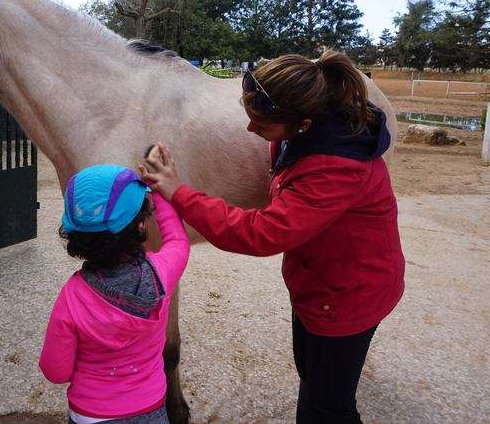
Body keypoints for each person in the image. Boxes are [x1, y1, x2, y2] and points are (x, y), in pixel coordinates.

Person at [139, 51, 405, 423]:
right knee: (312, 381)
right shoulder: (307, 135)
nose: (251, 131)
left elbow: (259, 233)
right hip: (319, 286)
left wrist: (179, 192)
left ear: (303, 123)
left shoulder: (334, 170)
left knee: (329, 407)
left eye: (261, 126)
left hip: (349, 297)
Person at [40, 164, 190, 423]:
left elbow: (55, 371)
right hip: (151, 408)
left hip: (89, 413)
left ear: (74, 235)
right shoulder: (161, 274)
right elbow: (178, 241)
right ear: (142, 226)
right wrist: (159, 193)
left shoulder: (72, 297)